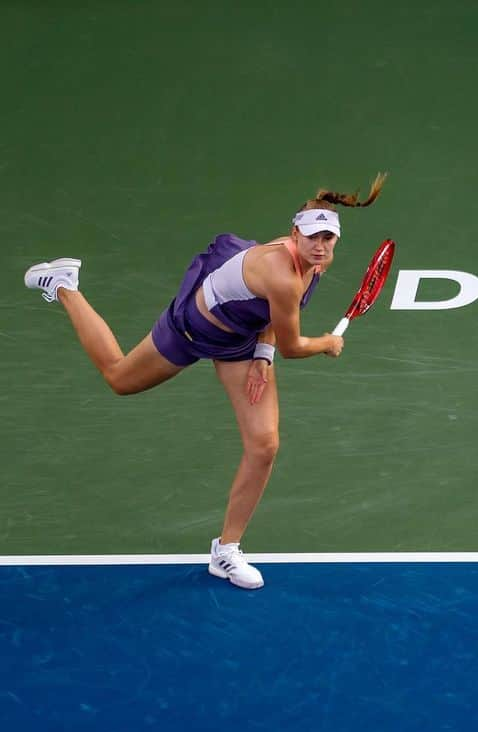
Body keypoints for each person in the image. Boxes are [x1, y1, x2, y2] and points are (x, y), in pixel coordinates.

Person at [23, 174, 387, 589]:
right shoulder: (283, 274)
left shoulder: (314, 266)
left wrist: (262, 357)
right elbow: (295, 344)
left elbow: (274, 325)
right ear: (294, 234)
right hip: (191, 330)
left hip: (240, 341)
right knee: (119, 378)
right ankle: (65, 286)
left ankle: (226, 551)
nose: (320, 246)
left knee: (264, 445)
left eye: (328, 238)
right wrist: (328, 343)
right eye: (311, 237)